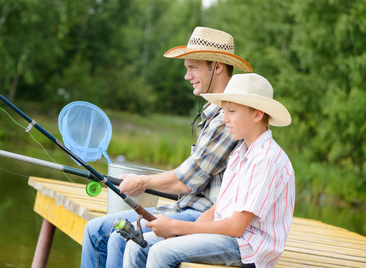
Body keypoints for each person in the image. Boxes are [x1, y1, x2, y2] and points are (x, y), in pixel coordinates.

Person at [80, 27, 253, 268]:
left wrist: (142, 183)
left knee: (100, 233)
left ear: (217, 66)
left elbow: (187, 180)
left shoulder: (227, 118)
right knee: (103, 232)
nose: (187, 75)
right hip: (185, 207)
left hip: (200, 215)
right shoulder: (216, 113)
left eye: (193, 67)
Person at [124, 73, 295, 268]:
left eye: (231, 111)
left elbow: (237, 227)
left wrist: (175, 226)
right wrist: (182, 232)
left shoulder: (266, 159)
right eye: (223, 111)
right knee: (136, 245)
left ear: (257, 114)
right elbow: (218, 208)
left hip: (246, 246)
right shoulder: (241, 152)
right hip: (224, 235)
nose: (224, 118)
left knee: (161, 252)